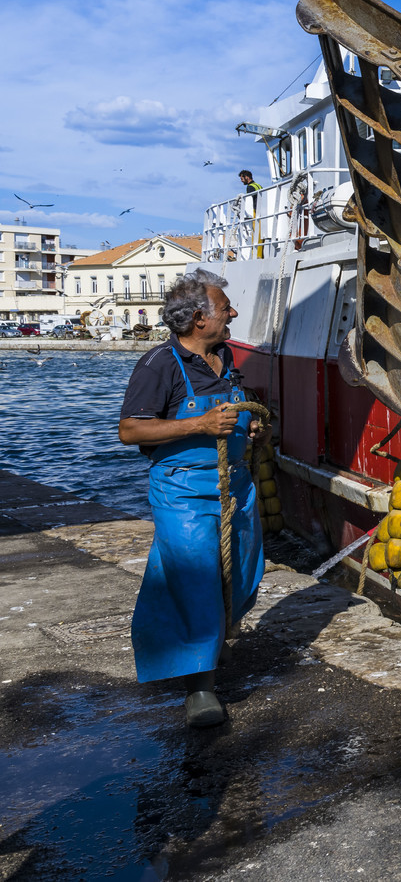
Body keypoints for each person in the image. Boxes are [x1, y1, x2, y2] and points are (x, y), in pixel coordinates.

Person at [119, 270, 263, 728]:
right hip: (183, 489)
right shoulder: (158, 364)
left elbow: (229, 411)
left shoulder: (225, 356)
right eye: (225, 308)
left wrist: (247, 426)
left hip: (234, 485)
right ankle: (199, 687)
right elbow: (131, 430)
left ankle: (212, 644)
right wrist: (198, 426)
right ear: (200, 319)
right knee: (195, 579)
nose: (233, 313)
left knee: (242, 573)